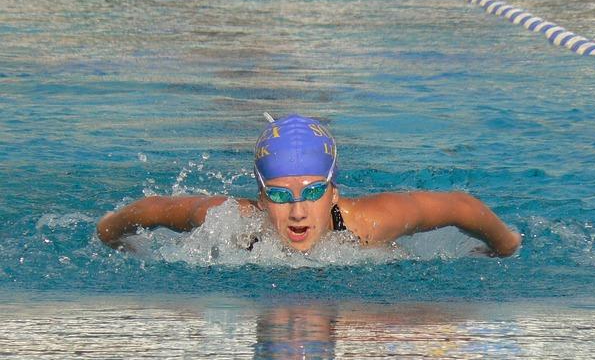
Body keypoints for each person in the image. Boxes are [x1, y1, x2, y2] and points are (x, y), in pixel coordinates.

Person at [97, 113, 521, 257]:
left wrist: (503, 247)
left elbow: (460, 206)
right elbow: (148, 210)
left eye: (313, 192)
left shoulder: (368, 224)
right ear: (262, 200)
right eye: (281, 196)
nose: (298, 211)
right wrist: (115, 239)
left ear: (333, 191)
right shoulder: (232, 222)